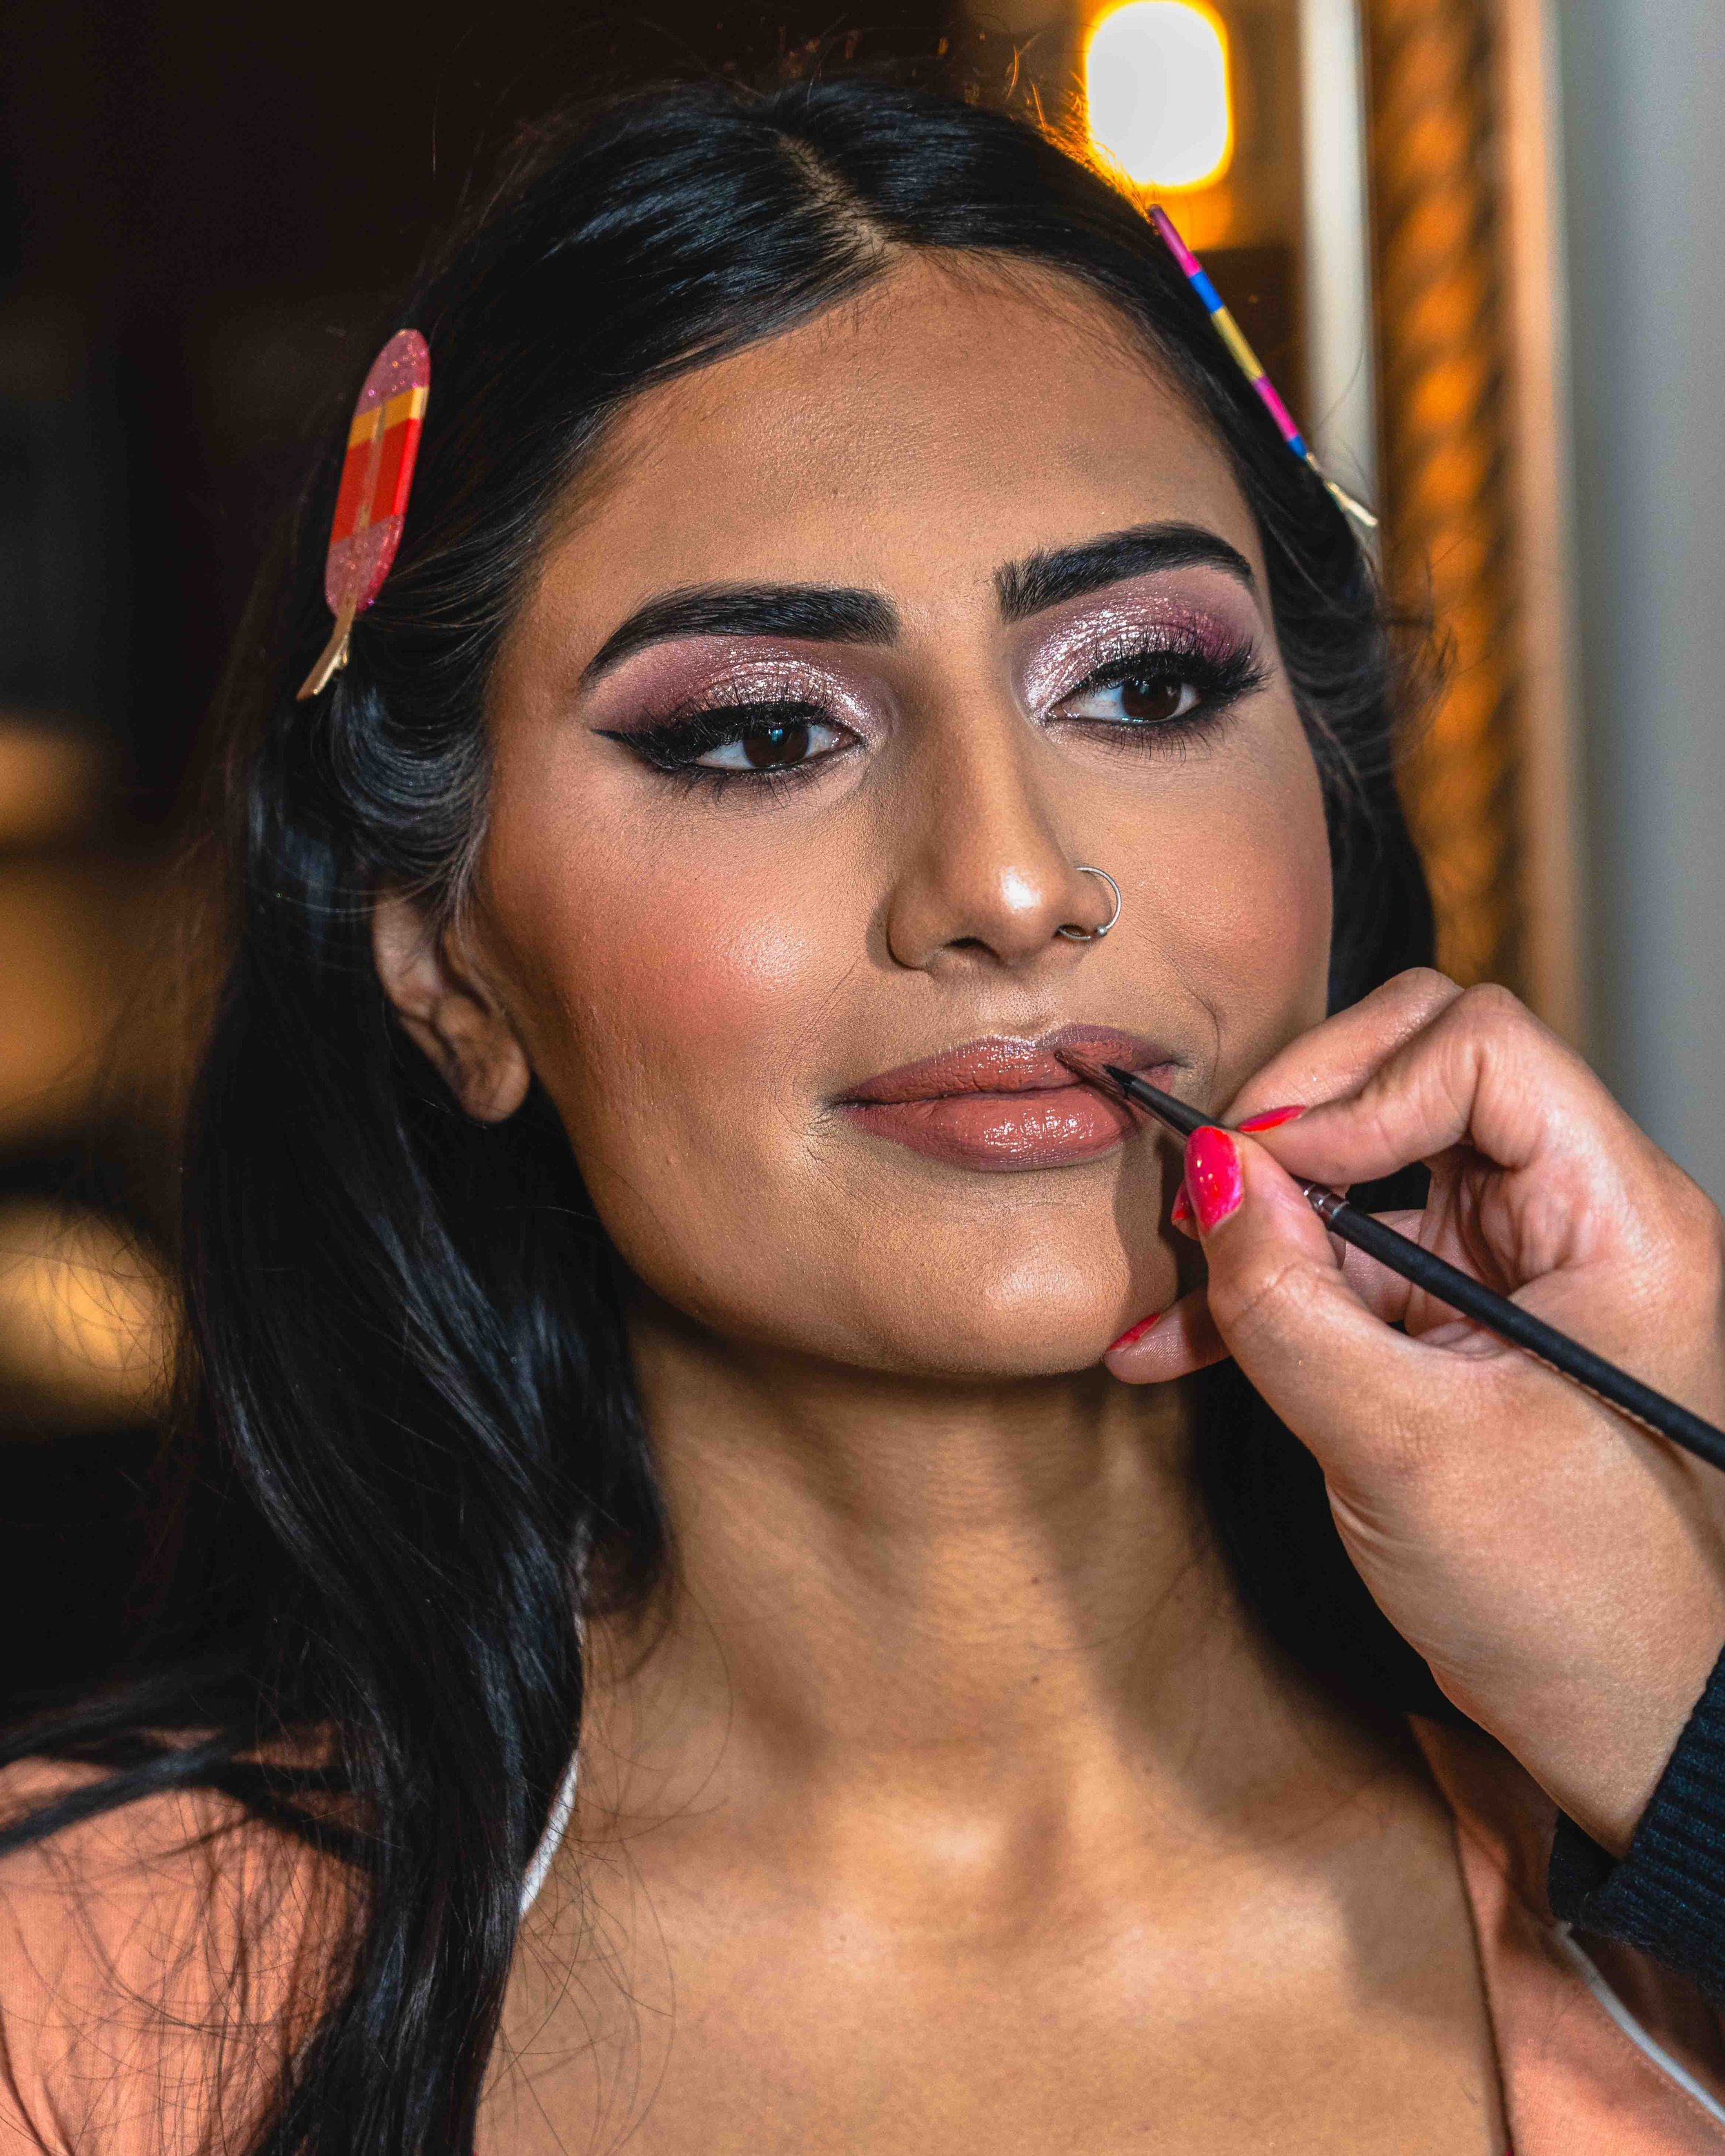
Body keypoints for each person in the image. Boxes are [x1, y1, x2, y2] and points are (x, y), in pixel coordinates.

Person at [3, 71, 1724, 2156]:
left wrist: (1687, 1720)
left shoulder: (1661, 1870)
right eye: (755, 733)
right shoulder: (68, 2005)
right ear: (445, 967)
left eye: (1146, 686)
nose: (1007, 882)